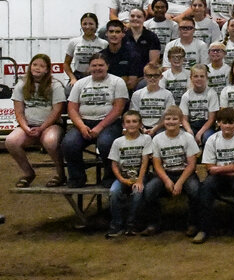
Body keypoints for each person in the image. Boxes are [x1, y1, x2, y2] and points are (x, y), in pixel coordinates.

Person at [63, 53, 128, 187]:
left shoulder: (117, 82)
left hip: (109, 123)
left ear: (107, 66)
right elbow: (72, 108)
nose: (97, 68)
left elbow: (118, 108)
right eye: (94, 65)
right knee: (69, 143)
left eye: (101, 65)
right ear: (89, 67)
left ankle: (110, 177)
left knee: (106, 143)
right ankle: (77, 178)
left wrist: (100, 127)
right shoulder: (81, 83)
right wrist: (81, 126)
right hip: (84, 123)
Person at [8, 54, 66, 188]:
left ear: (47, 69)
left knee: (50, 142)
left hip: (51, 125)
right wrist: (26, 128)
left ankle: (61, 174)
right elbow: (19, 111)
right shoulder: (21, 84)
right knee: (11, 141)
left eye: (42, 66)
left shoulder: (55, 85)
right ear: (30, 67)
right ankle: (28, 173)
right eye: (35, 65)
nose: (37, 68)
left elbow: (57, 111)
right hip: (28, 125)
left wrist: (42, 128)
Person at [142, 106, 201, 236]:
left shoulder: (187, 138)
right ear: (163, 121)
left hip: (185, 173)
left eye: (175, 119)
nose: (171, 122)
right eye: (168, 119)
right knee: (149, 190)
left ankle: (193, 224)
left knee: (195, 191)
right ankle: (154, 223)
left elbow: (191, 165)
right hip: (165, 173)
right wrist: (167, 180)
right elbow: (157, 165)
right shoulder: (157, 139)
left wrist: (179, 182)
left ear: (181, 121)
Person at [106, 110, 152, 238]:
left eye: (135, 121)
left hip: (140, 175)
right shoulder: (118, 142)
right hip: (123, 176)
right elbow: (114, 164)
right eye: (128, 122)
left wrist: (139, 180)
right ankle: (116, 225)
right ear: (123, 125)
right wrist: (121, 179)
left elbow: (145, 161)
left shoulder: (146, 139)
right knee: (114, 192)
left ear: (140, 124)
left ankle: (132, 224)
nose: (131, 124)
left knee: (138, 192)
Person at [64, 13, 108, 89]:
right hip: (78, 76)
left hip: (98, 75)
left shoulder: (104, 43)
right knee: (68, 90)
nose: (87, 27)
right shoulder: (73, 42)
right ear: (81, 25)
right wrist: (72, 78)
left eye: (91, 24)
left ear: (96, 25)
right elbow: (66, 64)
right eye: (85, 24)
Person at [130, 63, 175, 136]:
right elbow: (134, 115)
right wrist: (143, 129)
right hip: (141, 127)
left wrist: (154, 129)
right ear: (144, 76)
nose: (152, 78)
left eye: (156, 75)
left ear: (161, 76)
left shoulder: (167, 94)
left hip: (161, 127)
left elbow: (168, 115)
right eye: (149, 75)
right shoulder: (137, 94)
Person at [180, 64, 219, 146]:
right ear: (191, 78)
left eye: (202, 76)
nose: (199, 79)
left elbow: (211, 119)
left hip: (206, 125)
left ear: (206, 77)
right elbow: (184, 119)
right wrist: (189, 131)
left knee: (207, 137)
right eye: (196, 76)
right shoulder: (186, 96)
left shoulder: (212, 93)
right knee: (183, 137)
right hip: (192, 125)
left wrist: (199, 133)